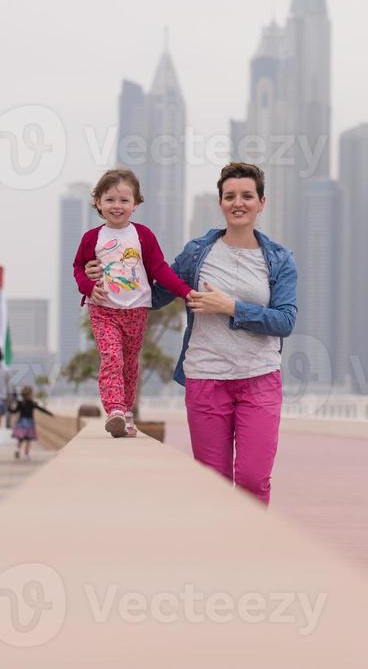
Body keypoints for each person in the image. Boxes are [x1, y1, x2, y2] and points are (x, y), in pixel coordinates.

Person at [137, 162, 298, 506]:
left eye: (247, 196)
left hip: (259, 378)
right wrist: (109, 277)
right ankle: (223, 555)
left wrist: (232, 307)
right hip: (206, 378)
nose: (238, 202)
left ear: (261, 202)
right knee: (214, 484)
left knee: (254, 479)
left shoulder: (280, 260)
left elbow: (285, 321)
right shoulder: (198, 253)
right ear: (221, 202)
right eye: (230, 196)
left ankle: (251, 550)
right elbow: (155, 295)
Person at [72, 168, 192, 438]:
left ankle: (126, 414)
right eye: (110, 199)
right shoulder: (92, 238)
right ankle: (114, 410)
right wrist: (88, 287)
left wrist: (184, 291)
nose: (117, 206)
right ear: (98, 203)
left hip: (136, 310)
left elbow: (160, 269)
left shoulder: (143, 236)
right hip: (103, 309)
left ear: (136, 204)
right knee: (112, 357)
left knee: (129, 363)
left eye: (124, 200)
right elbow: (79, 267)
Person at [10, 386, 53, 459]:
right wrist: (50, 414)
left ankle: (17, 450)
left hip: (21, 422)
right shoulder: (32, 403)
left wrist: (8, 408)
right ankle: (26, 454)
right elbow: (41, 409)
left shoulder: (20, 403)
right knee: (28, 439)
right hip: (29, 423)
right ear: (30, 394)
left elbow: (14, 411)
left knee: (20, 438)